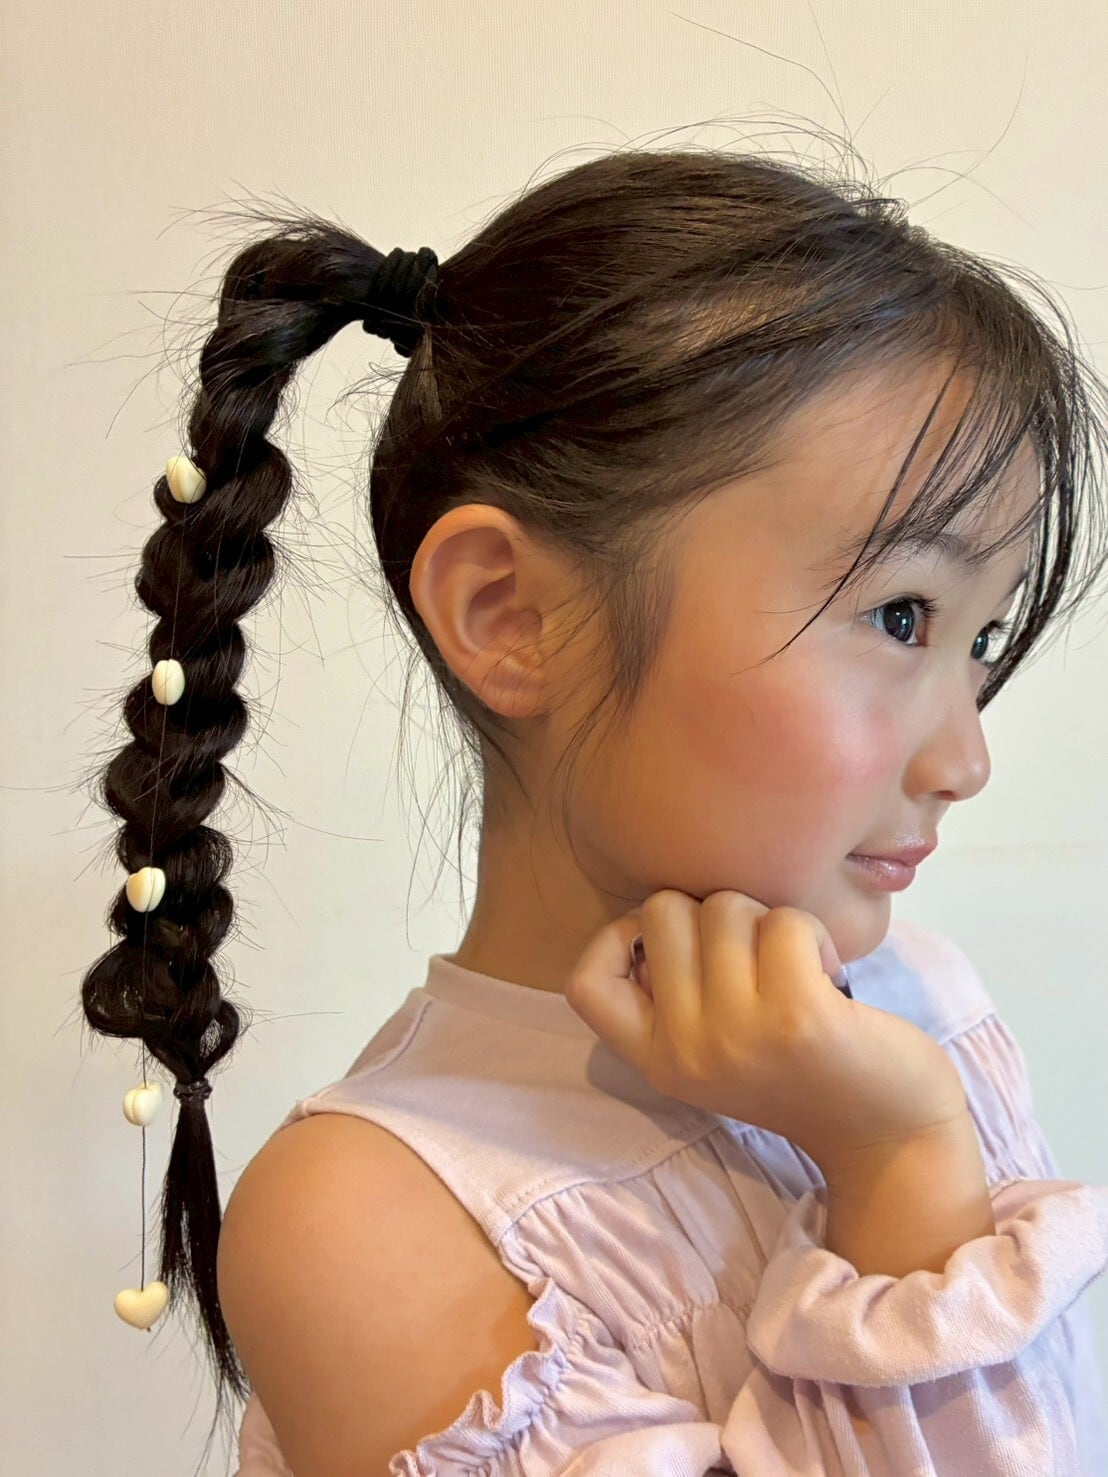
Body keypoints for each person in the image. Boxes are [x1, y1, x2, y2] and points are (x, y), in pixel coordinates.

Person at [82, 143, 1108, 1475]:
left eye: (982, 637)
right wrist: (897, 1165)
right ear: (513, 617)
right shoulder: (374, 1221)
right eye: (901, 615)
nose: (965, 760)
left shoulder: (916, 1004)